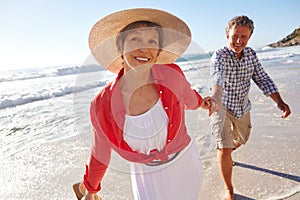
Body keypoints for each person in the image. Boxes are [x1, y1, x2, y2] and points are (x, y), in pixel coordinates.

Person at [72, 8, 213, 200]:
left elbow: (188, 97)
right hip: (145, 177)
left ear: (158, 52)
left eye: (151, 41)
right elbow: (100, 153)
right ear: (120, 48)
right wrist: (91, 191)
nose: (143, 48)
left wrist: (202, 103)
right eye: (135, 39)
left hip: (185, 166)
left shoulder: (172, 75)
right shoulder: (101, 104)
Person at [209, 15, 291, 200]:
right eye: (234, 36)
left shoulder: (251, 55)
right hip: (220, 105)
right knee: (224, 147)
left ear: (250, 37)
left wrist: (278, 101)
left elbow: (262, 78)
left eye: (243, 37)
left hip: (241, 106)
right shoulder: (219, 56)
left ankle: (228, 153)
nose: (238, 41)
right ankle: (229, 188)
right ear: (227, 35)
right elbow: (217, 77)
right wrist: (215, 97)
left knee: (243, 139)